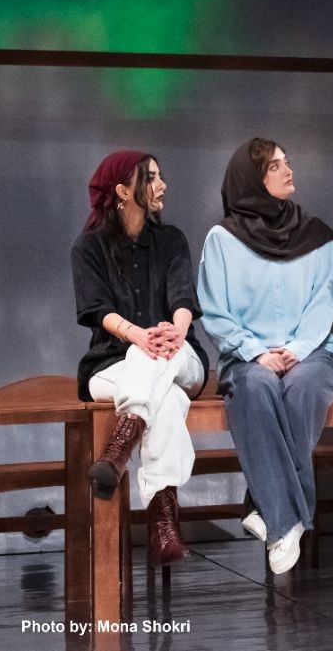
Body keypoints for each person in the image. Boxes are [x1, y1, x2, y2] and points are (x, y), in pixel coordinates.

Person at [197, 138, 333, 575]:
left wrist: (296, 350)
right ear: (251, 180)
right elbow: (215, 311)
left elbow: (324, 302)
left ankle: (263, 505)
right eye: (275, 166)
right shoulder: (222, 240)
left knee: (303, 388)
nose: (288, 170)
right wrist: (255, 352)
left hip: (312, 352)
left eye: (287, 161)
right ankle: (285, 522)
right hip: (248, 357)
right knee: (257, 386)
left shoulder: (317, 236)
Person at [72, 150, 209, 567]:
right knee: (163, 398)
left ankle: (119, 448)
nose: (161, 184)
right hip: (111, 366)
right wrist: (139, 336)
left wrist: (176, 332)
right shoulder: (89, 247)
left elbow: (183, 298)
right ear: (122, 191)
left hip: (179, 357)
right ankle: (163, 527)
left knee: (157, 368)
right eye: (150, 177)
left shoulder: (171, 240)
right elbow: (97, 310)